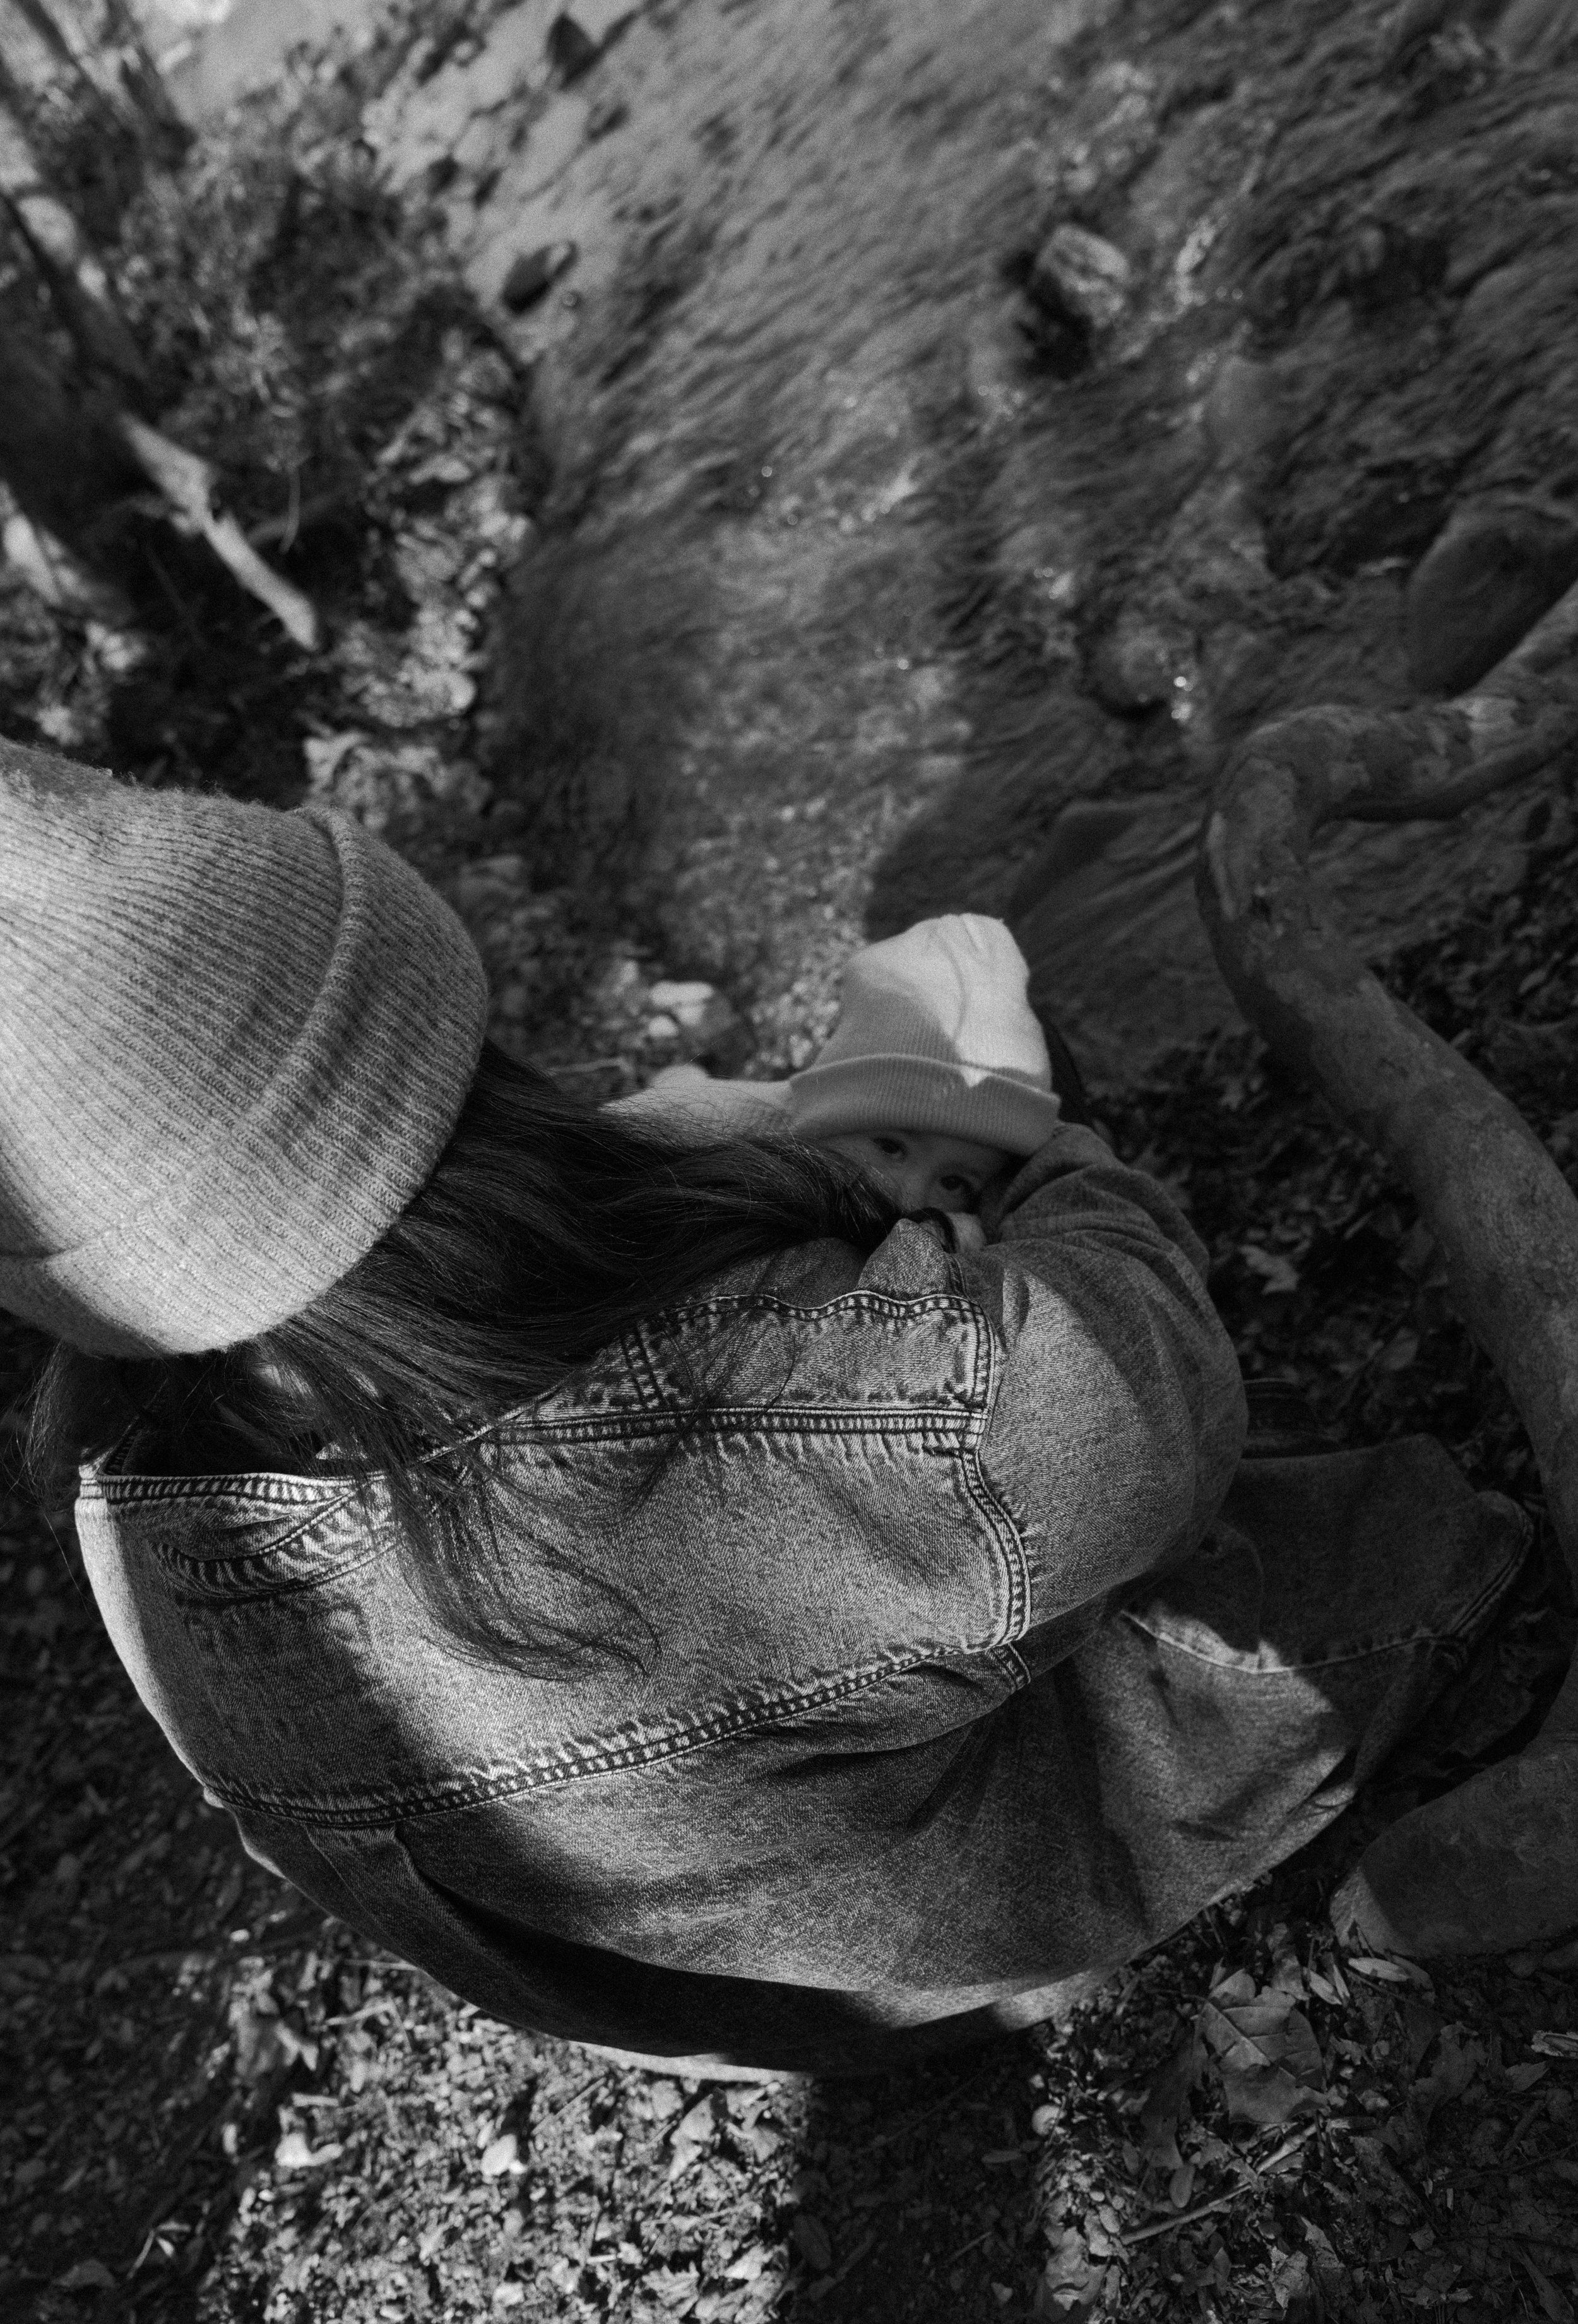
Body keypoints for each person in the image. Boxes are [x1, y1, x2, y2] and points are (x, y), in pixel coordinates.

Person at [6, 742, 1529, 2078]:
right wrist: (1033, 1149)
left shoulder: (131, 1519)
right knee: (1410, 1537)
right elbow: (1153, 1379)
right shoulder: (768, 1433)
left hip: (762, 2009)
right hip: (1002, 1942)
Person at [615, 913, 1067, 1239]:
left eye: (954, 1183)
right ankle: (681, 1074)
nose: (906, 1202)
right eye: (890, 1146)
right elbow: (599, 1147)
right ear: (832, 1117)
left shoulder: (928, 1224)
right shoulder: (710, 1126)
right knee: (685, 1090)